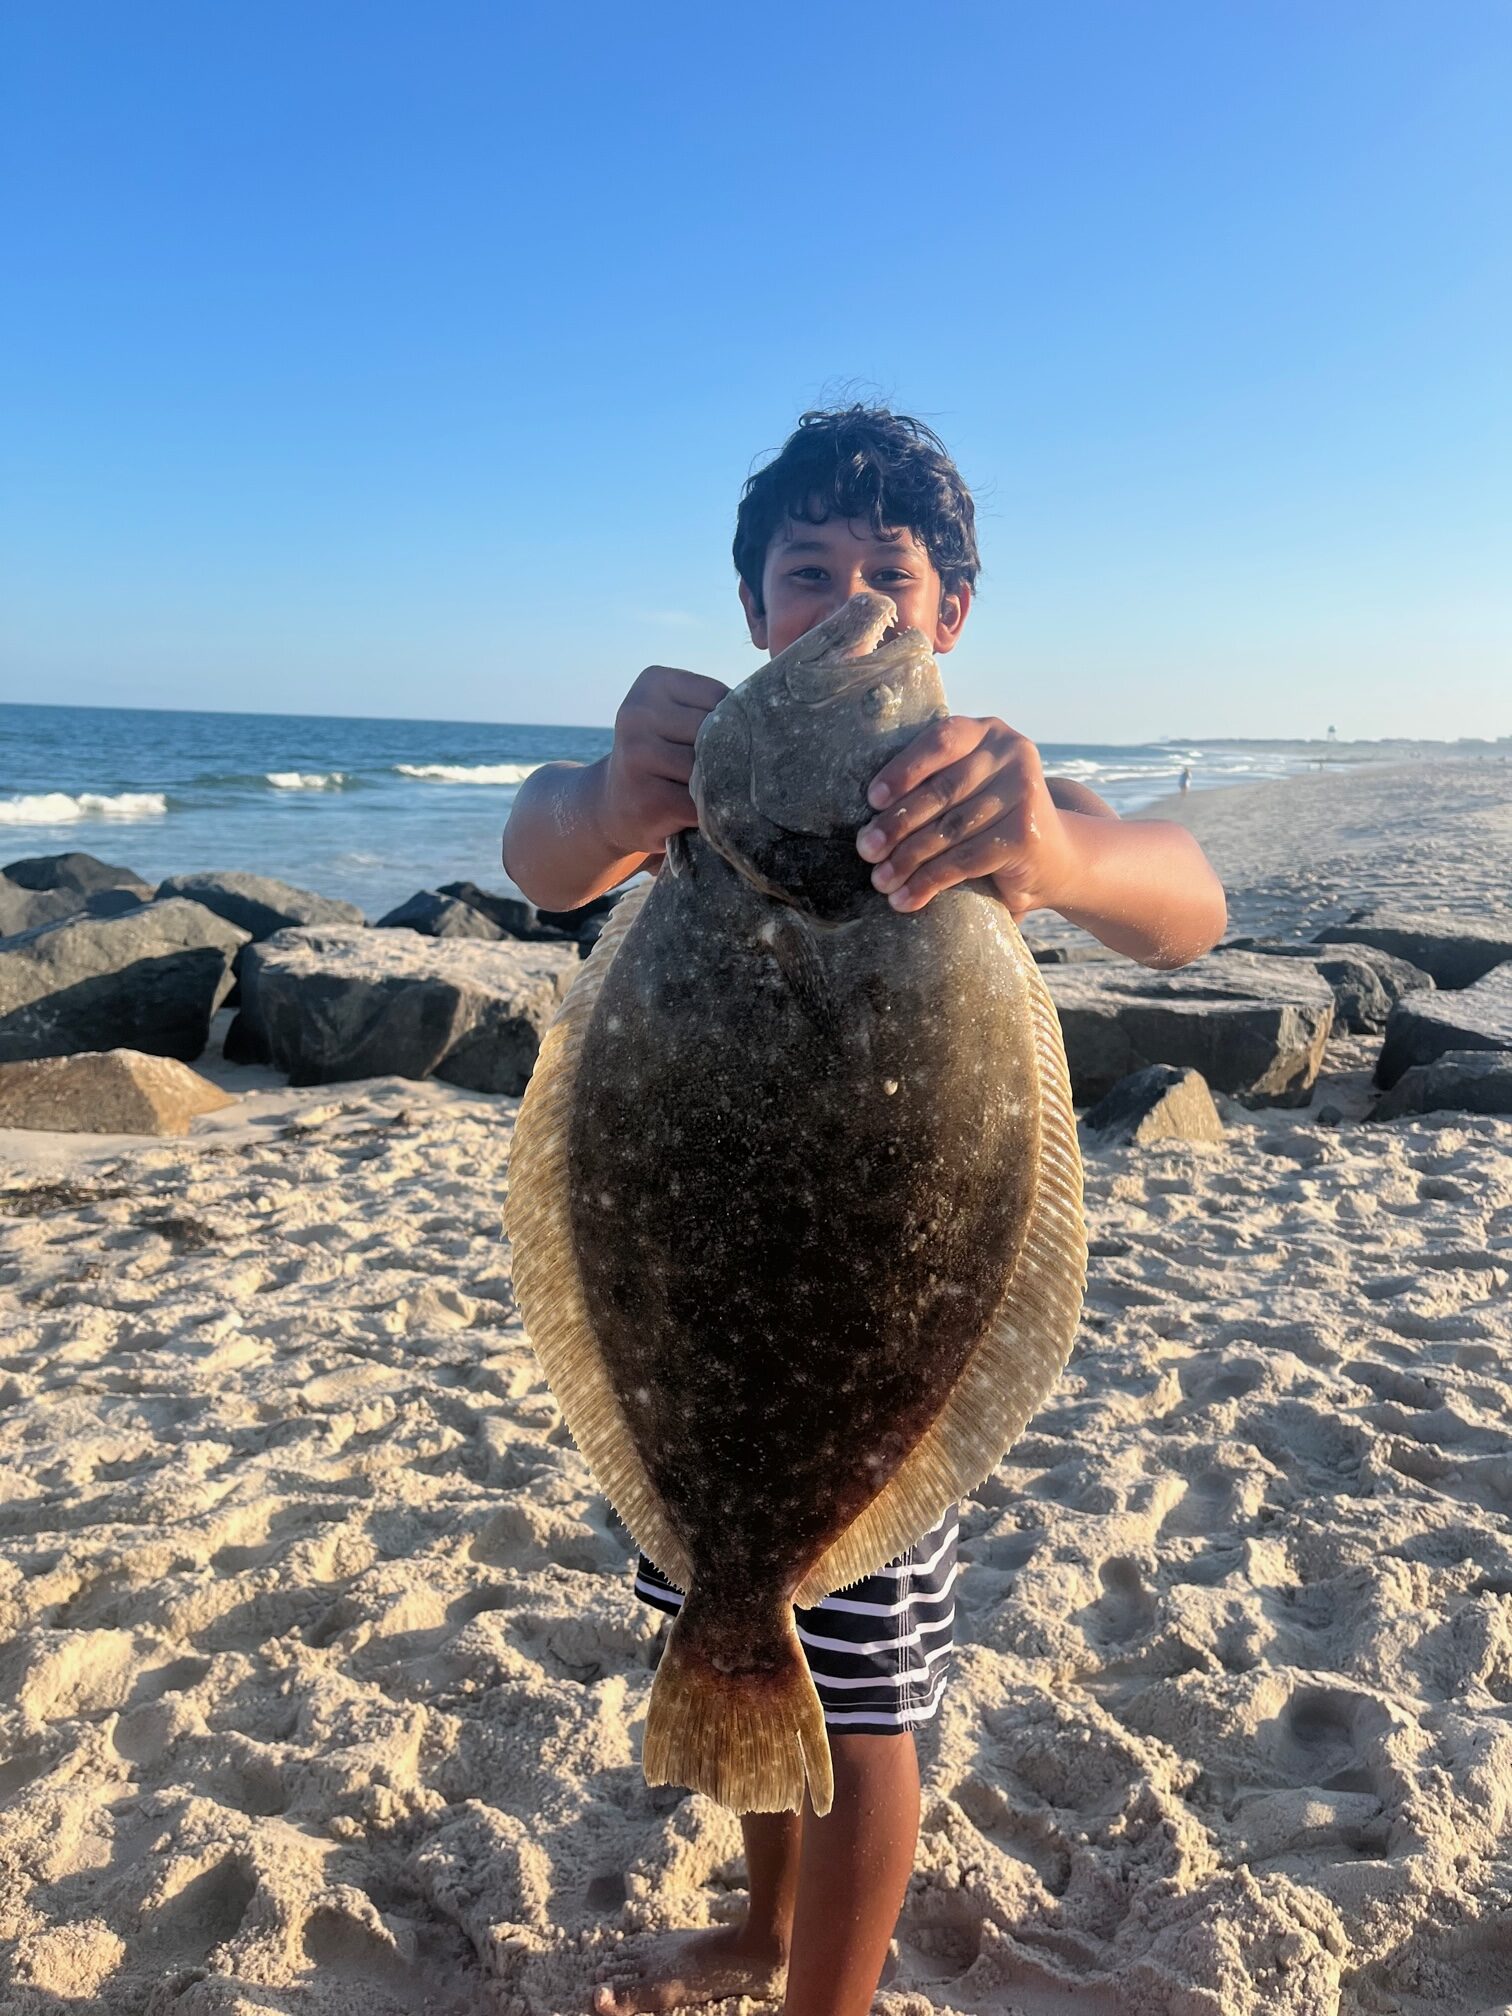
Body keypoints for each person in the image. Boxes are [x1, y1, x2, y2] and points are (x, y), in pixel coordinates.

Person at [502, 406, 1227, 2016]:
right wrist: (616, 805)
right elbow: (541, 852)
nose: (845, 605)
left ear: (950, 614)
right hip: (692, 1329)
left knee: (868, 1703)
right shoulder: (687, 808)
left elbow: (1186, 900)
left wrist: (1052, 851)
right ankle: (762, 1934)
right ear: (753, 609)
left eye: (885, 574)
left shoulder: (997, 808)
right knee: (739, 1634)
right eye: (803, 571)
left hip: (882, 1340)